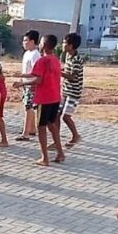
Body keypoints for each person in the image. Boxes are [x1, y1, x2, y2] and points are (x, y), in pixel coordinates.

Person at [14, 34, 65, 166]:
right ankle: (60, 153)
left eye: (41, 42)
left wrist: (22, 83)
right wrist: (23, 75)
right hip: (55, 97)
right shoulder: (55, 60)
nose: (40, 44)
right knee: (52, 125)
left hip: (44, 98)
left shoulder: (42, 61)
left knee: (41, 127)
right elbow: (38, 74)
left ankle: (44, 158)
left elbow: (38, 79)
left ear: (44, 45)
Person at [60, 32, 85, 147]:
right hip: (65, 90)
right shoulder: (67, 56)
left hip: (73, 92)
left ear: (71, 45)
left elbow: (72, 76)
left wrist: (57, 72)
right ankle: (57, 138)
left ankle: (76, 135)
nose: (62, 44)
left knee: (66, 116)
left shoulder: (76, 59)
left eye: (64, 43)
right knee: (57, 114)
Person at [14, 30, 41, 141]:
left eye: (26, 40)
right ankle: (32, 129)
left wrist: (23, 76)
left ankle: (25, 133)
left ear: (32, 41)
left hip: (31, 84)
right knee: (27, 106)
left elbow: (36, 73)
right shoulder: (27, 53)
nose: (23, 43)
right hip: (26, 84)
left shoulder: (35, 55)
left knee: (28, 107)